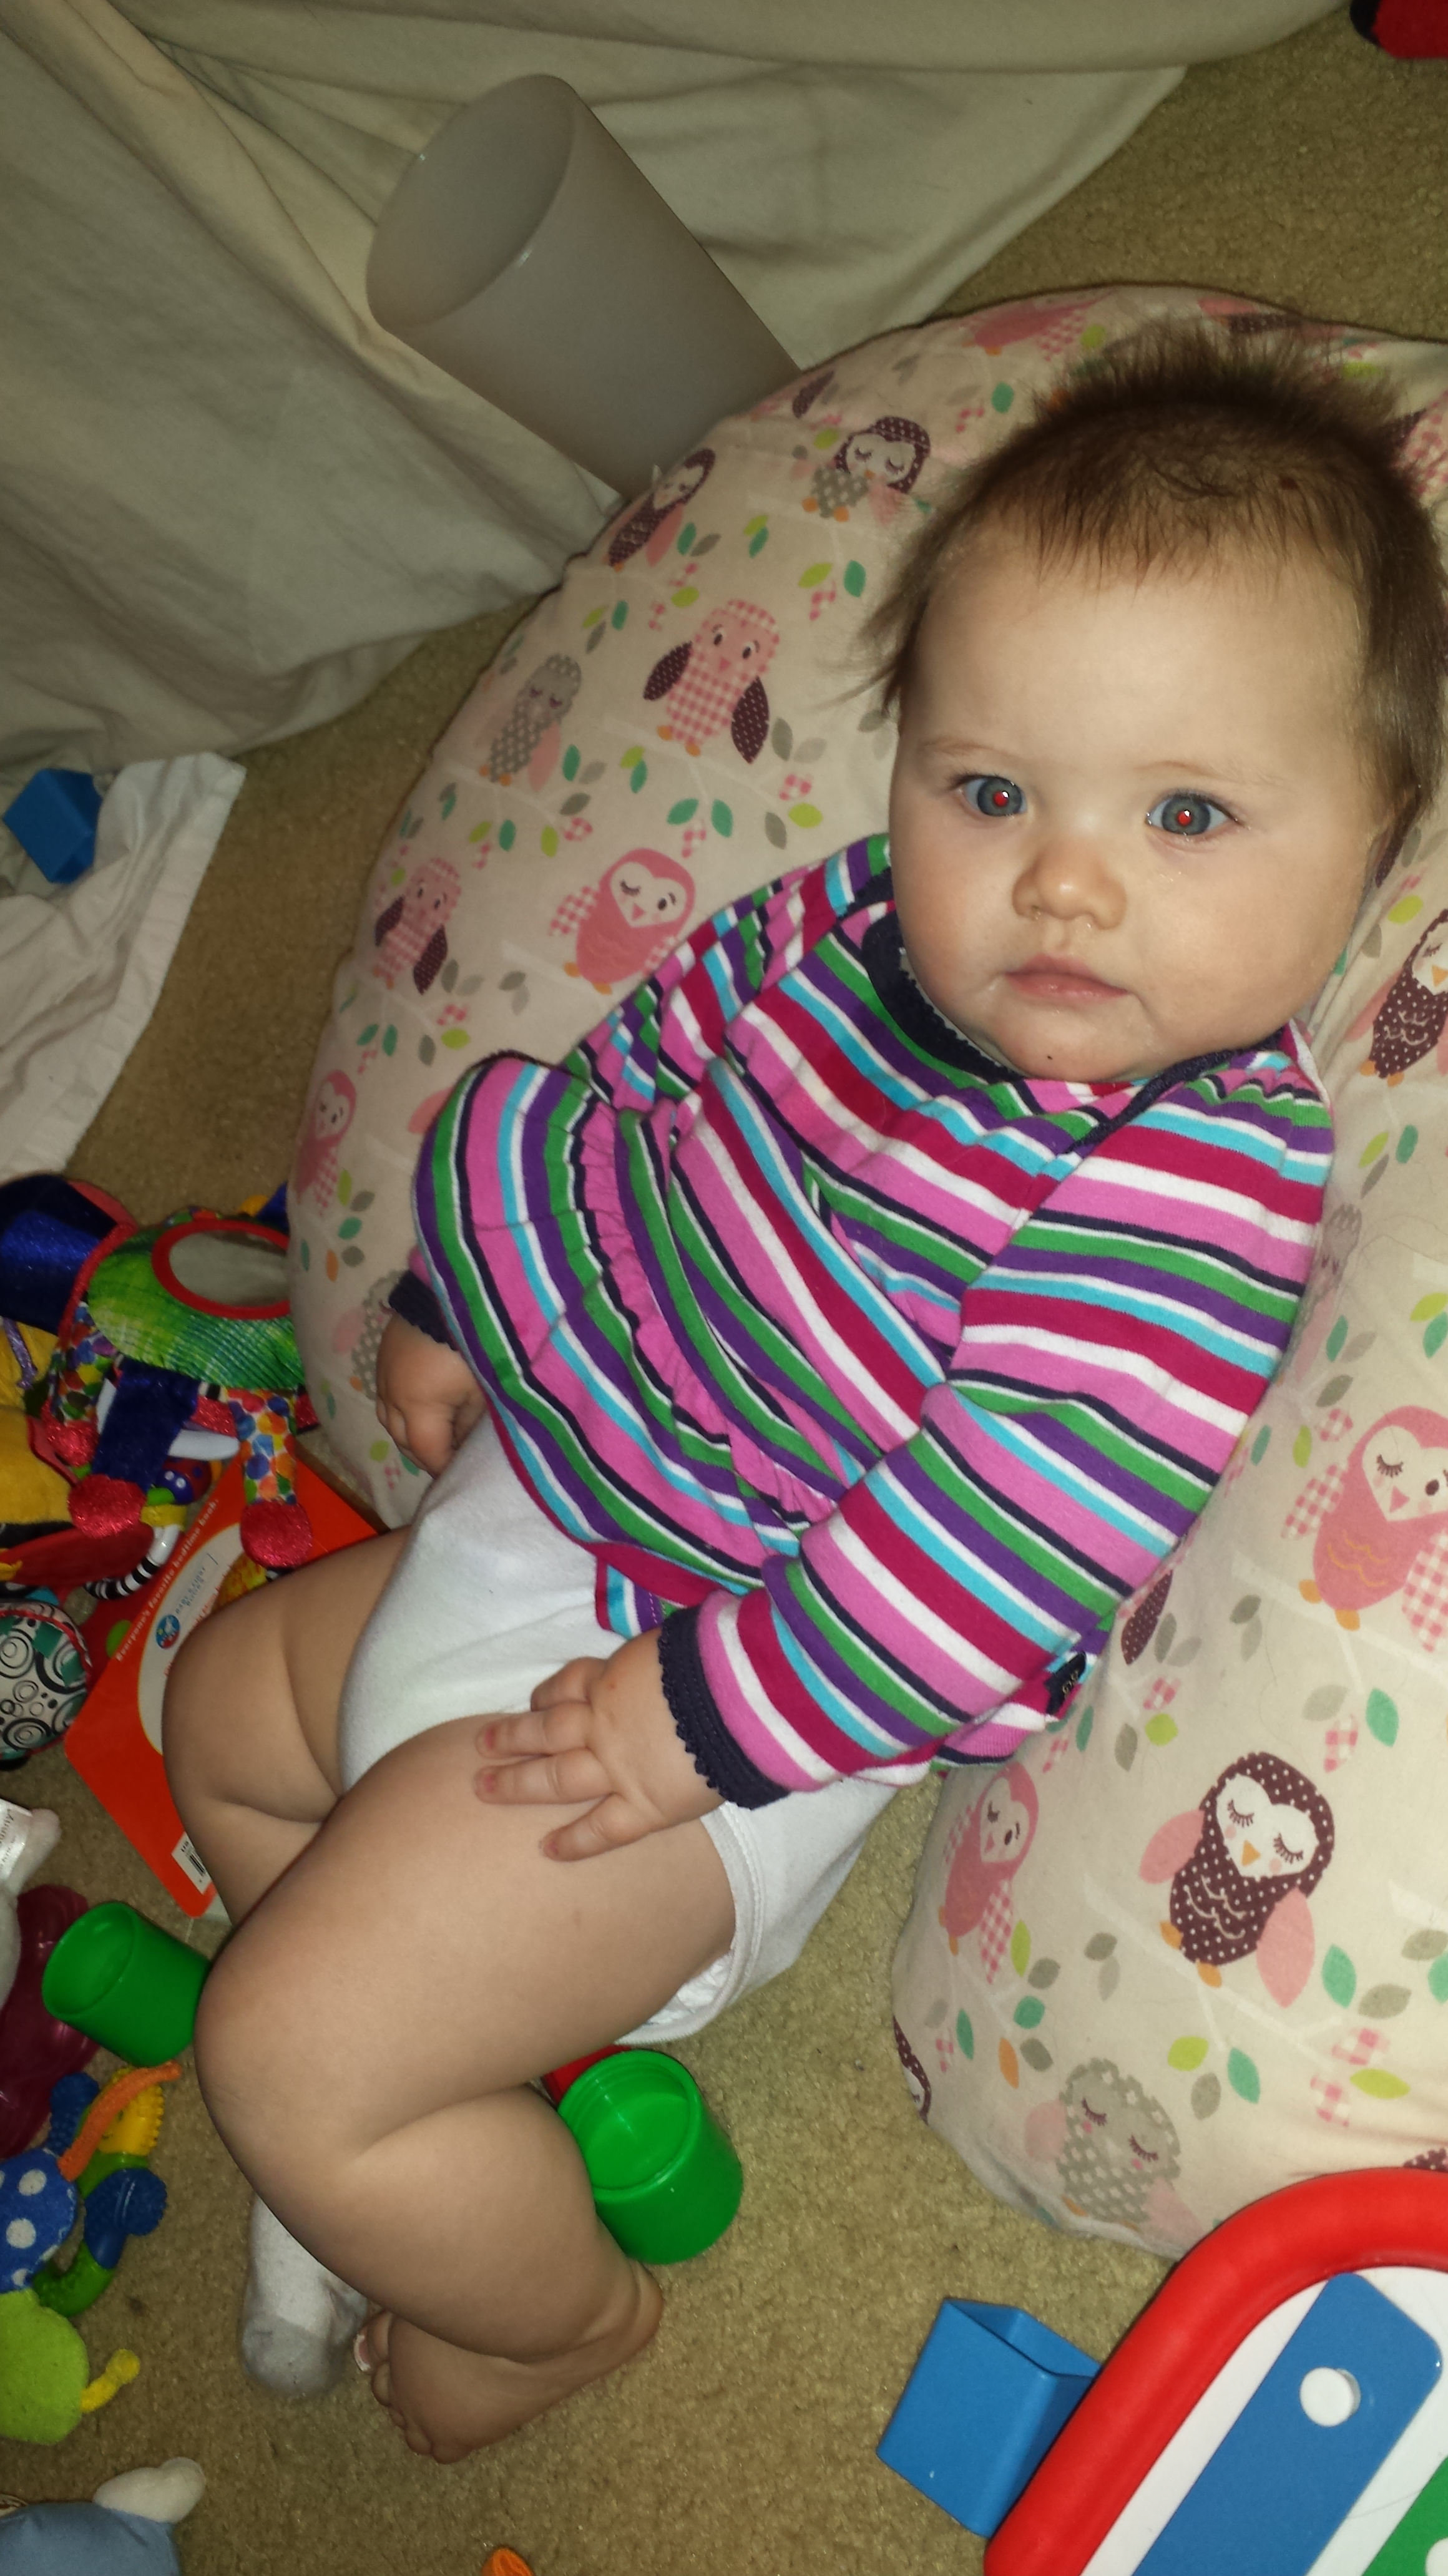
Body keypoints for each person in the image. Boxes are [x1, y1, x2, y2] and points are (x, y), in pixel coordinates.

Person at [164, 323, 1447, 2465]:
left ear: (1373, 835)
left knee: (284, 2056)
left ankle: (546, 2315)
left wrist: (695, 1723)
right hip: (537, 1524)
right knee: (213, 1718)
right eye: (990, 791)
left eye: (1189, 814)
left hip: (710, 1718)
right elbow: (645, 1075)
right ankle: (404, 2093)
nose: (1061, 878)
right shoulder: (849, 933)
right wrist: (478, 1297)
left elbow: (997, 1543)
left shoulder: (1190, 1172)